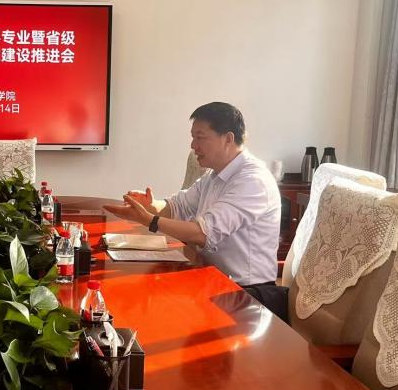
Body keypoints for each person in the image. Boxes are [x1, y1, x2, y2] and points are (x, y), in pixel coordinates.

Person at [105, 102, 281, 288]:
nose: (193, 145)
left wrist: (149, 220)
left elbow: (202, 233)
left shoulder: (253, 181)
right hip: (211, 278)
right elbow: (178, 206)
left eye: (200, 137)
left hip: (246, 293)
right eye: (193, 137)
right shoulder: (214, 175)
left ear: (228, 139)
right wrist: (150, 205)